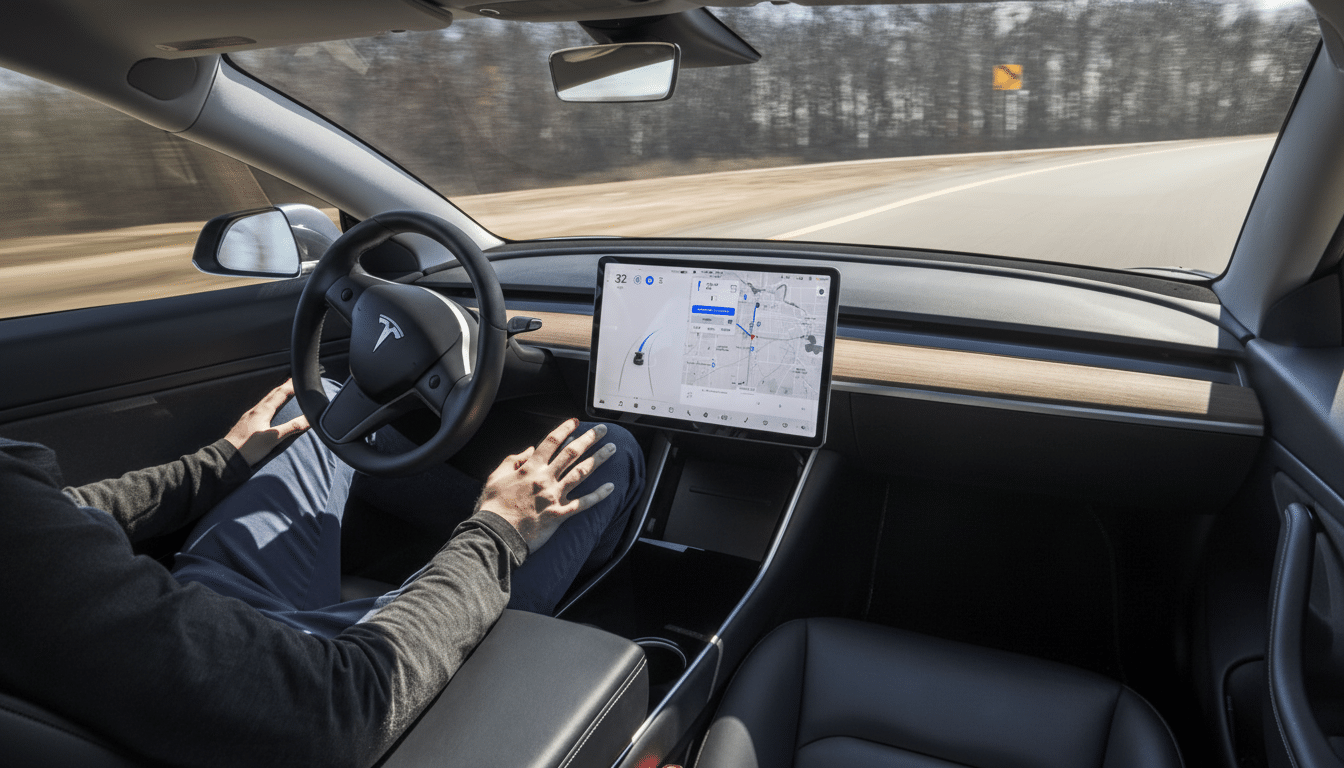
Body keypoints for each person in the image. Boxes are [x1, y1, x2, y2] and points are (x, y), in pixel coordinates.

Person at [0, 379, 645, 768]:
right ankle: (523, 604)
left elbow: (51, 514)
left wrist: (217, 464)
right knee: (610, 451)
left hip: (198, 611)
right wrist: (496, 532)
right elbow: (340, 707)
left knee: (327, 407)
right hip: (318, 678)